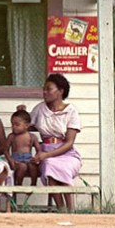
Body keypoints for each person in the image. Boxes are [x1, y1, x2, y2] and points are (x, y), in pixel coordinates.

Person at [28, 73, 82, 211]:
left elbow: (69, 143)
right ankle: (61, 209)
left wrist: (46, 155)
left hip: (66, 153)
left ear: (60, 91)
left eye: (49, 89)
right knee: (49, 168)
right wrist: (22, 114)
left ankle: (72, 210)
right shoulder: (40, 109)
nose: (45, 92)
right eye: (44, 89)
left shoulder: (71, 111)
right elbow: (25, 125)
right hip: (46, 150)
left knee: (62, 168)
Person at [6, 109, 42, 186]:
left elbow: (39, 150)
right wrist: (10, 160)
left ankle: (33, 184)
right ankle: (18, 184)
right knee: (22, 167)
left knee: (33, 166)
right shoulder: (12, 137)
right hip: (16, 160)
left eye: (17, 125)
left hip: (28, 158)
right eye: (12, 124)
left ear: (26, 125)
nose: (14, 127)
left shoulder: (32, 137)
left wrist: (36, 158)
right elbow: (5, 150)